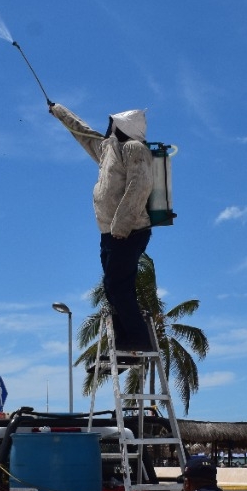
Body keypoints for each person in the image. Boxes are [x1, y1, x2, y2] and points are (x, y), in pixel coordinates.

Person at [49, 102, 155, 356]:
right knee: (113, 286)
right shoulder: (109, 149)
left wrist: (121, 226)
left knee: (117, 285)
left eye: (112, 124)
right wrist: (59, 111)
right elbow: (82, 133)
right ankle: (125, 339)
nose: (107, 128)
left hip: (129, 231)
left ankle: (138, 339)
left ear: (122, 126)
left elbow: (139, 187)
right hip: (109, 233)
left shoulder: (134, 148)